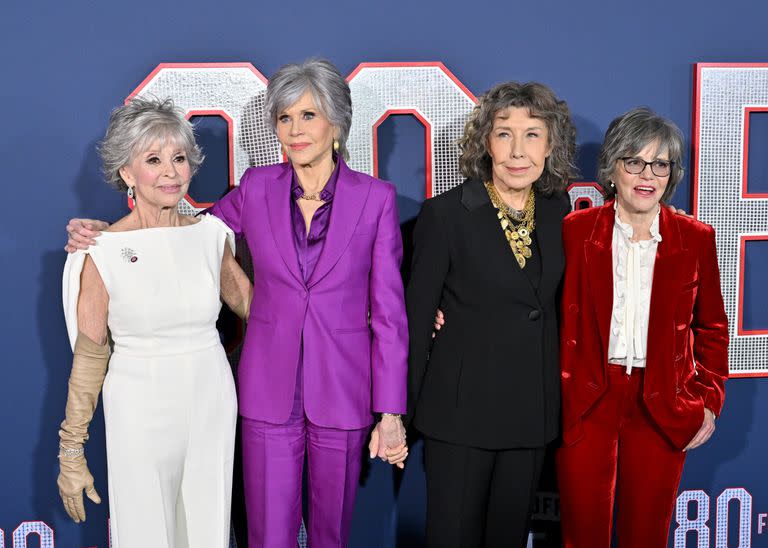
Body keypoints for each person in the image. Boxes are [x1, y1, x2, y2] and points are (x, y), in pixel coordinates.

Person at [66, 59, 409, 548]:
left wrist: (391, 411)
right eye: (284, 119)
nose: (294, 130)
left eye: (308, 116)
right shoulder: (256, 188)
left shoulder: (375, 199)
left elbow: (391, 316)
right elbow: (183, 234)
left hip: (343, 389)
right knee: (267, 536)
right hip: (267, 393)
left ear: (336, 122)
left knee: (332, 536)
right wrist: (104, 232)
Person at [58, 97, 252, 547]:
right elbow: (90, 358)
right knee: (145, 531)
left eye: (179, 157)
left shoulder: (211, 235)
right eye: (153, 159)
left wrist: (348, 315)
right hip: (137, 406)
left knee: (208, 528)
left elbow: (257, 309)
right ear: (126, 173)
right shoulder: (99, 249)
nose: (171, 171)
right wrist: (71, 450)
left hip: (211, 401)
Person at [406, 81, 577, 548]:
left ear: (551, 144)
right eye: (504, 134)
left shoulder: (560, 212)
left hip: (530, 417)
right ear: (485, 142)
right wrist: (399, 413)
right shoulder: (445, 215)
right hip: (460, 417)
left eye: (533, 134)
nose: (517, 151)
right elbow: (417, 322)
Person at [556, 107, 729, 547]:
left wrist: (707, 400)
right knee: (583, 533)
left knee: (646, 534)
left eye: (660, 163)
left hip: (661, 401)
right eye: (633, 161)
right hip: (590, 399)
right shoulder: (575, 231)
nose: (646, 174)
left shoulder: (695, 237)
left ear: (672, 174)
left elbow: (711, 327)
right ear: (612, 169)